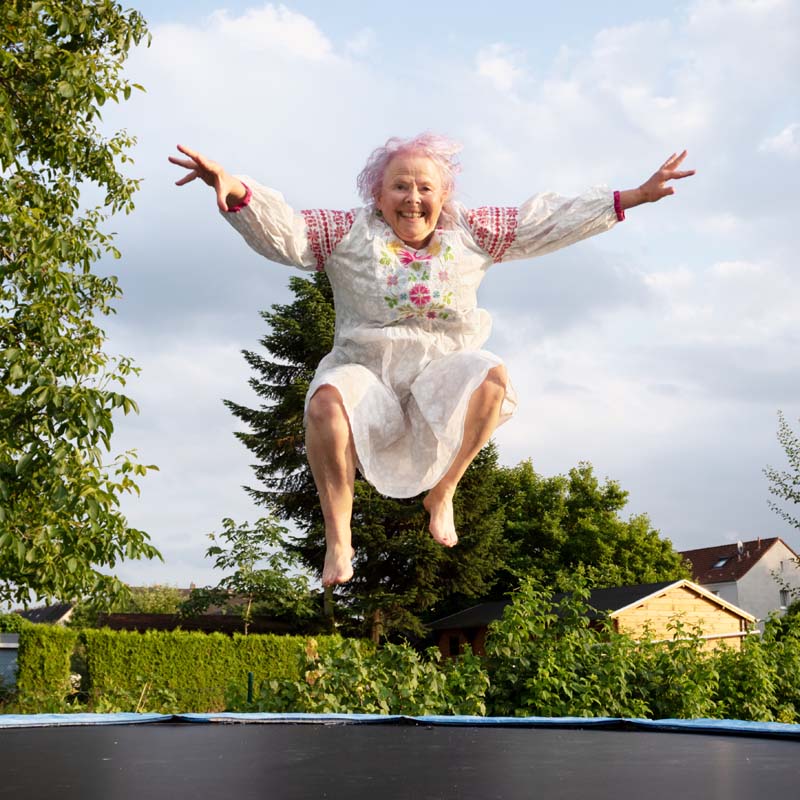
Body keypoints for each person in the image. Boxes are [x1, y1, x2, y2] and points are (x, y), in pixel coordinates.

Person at [170, 134, 694, 587]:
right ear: (378, 195)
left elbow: (545, 221)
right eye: (400, 186)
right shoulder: (347, 233)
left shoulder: (471, 231)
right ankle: (340, 540)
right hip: (366, 374)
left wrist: (635, 196)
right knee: (325, 401)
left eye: (425, 188)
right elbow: (289, 232)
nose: (413, 198)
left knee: (493, 376)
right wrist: (234, 187)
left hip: (437, 380)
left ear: (443, 196)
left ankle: (443, 493)